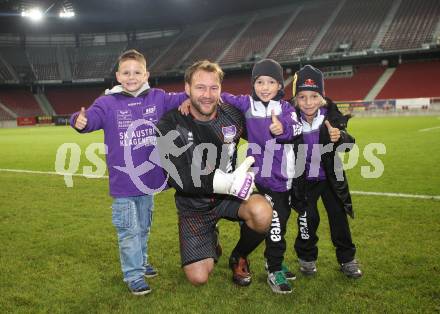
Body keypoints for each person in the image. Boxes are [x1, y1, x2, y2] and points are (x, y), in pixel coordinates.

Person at [70, 49, 187, 295]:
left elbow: (186, 96)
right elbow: (90, 118)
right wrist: (77, 121)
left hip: (149, 182)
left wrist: (191, 98)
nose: (131, 77)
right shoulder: (107, 102)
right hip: (123, 183)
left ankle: (142, 261)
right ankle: (133, 275)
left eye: (137, 72)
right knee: (128, 231)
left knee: (143, 227)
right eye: (126, 72)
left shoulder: (158, 97)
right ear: (118, 75)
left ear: (146, 74)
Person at [156, 60, 273, 287]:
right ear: (187, 89)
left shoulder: (233, 116)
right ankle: (212, 238)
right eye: (200, 87)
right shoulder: (171, 123)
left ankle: (239, 256)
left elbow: (265, 136)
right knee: (198, 277)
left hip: (231, 196)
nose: (207, 95)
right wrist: (227, 182)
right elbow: (179, 178)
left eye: (213, 88)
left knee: (262, 213)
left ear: (221, 90)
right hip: (194, 205)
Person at [218, 59, 303, 294]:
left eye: (271, 82)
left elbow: (295, 128)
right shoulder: (246, 105)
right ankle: (274, 268)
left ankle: (270, 260)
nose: (265, 87)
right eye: (260, 82)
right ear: (253, 84)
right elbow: (218, 95)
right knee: (275, 224)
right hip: (261, 179)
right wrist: (187, 100)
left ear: (279, 85)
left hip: (283, 179)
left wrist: (281, 129)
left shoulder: (286, 109)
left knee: (281, 223)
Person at [289, 65, 362, 279]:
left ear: (321, 97)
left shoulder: (330, 115)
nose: (308, 102)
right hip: (305, 180)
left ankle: (347, 259)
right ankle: (306, 258)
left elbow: (349, 145)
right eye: (302, 97)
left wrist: (339, 137)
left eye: (313, 96)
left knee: (339, 219)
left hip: (331, 178)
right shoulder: (290, 119)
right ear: (296, 99)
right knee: (307, 219)